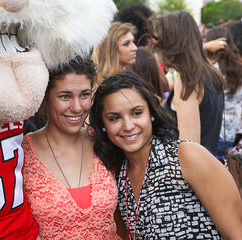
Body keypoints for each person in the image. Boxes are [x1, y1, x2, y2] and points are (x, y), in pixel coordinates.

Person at [89, 71, 242, 239]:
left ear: (151, 114)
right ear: (103, 125)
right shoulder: (117, 176)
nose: (128, 125)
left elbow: (237, 232)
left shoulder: (186, 156)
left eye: (137, 113)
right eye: (114, 118)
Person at [22, 57, 122, 239]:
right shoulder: (23, 154)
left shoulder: (104, 141)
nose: (77, 107)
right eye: (65, 96)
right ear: (45, 98)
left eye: (84, 95)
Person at [148, 11, 224, 156]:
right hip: (208, 167)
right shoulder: (209, 72)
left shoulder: (187, 80)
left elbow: (189, 150)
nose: (156, 52)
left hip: (193, 174)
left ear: (172, 45)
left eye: (159, 46)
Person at [205, 26, 242, 159]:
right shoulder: (239, 66)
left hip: (216, 135)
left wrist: (204, 47)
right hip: (238, 135)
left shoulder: (206, 70)